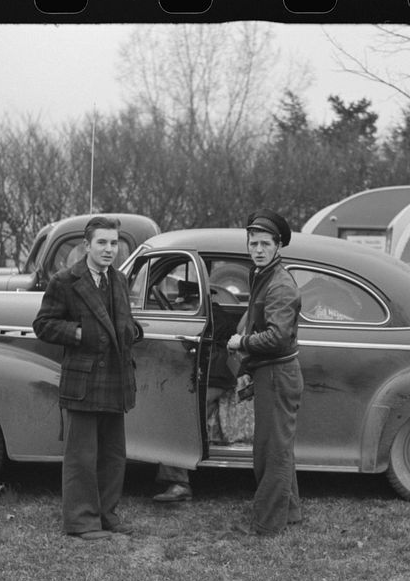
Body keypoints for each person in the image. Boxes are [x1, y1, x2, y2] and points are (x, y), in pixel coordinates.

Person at [32, 216, 143, 541]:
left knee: (112, 455)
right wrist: (78, 332)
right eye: (102, 243)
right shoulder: (65, 281)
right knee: (82, 456)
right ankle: (81, 521)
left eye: (114, 243)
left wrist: (131, 329)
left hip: (116, 379)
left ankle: (107, 515)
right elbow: (43, 325)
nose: (109, 249)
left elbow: (125, 318)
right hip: (84, 381)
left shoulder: (119, 280)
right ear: (87, 245)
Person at [226, 209, 304, 536]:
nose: (258, 249)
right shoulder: (261, 274)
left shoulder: (280, 284)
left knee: (272, 451)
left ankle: (267, 524)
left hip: (277, 373)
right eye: (253, 243)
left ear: (278, 247)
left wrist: (240, 341)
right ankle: (290, 513)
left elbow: (277, 336)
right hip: (269, 372)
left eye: (264, 244)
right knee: (276, 446)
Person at [152, 292, 237, 502]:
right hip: (209, 375)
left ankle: (179, 483)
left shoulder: (212, 316)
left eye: (184, 304)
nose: (181, 308)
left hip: (214, 377)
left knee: (180, 416)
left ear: (196, 300)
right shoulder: (212, 314)